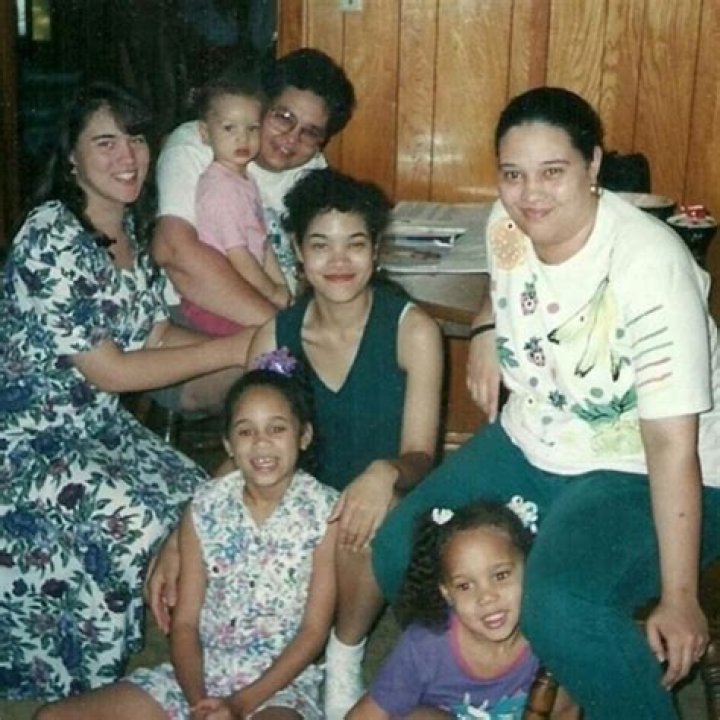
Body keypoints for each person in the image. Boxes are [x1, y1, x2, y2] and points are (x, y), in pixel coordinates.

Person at [369, 86, 720, 719]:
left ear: (593, 165)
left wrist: (680, 594)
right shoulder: (506, 223)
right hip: (536, 439)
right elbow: (506, 276)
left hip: (648, 468)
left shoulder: (650, 267)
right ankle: (496, 692)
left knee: (559, 603)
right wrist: (486, 325)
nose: (530, 194)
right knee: (401, 551)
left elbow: (672, 444)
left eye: (552, 172)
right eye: (513, 174)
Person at [149, 167, 445, 719]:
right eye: (320, 244)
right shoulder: (276, 334)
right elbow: (251, 442)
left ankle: (344, 653)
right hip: (296, 509)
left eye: (355, 244)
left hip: (379, 502)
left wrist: (383, 472)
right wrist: (178, 538)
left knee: (367, 516)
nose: (338, 260)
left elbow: (422, 455)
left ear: (376, 251)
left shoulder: (413, 330)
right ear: (297, 252)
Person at [0, 82, 252, 700]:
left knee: (202, 502)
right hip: (26, 445)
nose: (127, 156)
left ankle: (221, 652)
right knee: (135, 520)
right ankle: (85, 684)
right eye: (105, 142)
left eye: (135, 138)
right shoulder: (51, 235)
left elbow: (156, 331)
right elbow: (110, 370)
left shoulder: (131, 232)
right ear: (71, 158)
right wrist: (237, 348)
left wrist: (251, 353)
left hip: (97, 430)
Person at [34, 359, 339, 720]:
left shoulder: (325, 512)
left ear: (304, 435)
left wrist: (239, 704)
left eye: (277, 429)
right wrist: (199, 703)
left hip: (279, 686)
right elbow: (185, 624)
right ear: (228, 444)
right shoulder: (205, 506)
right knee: (51, 717)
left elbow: (313, 632)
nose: (261, 443)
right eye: (245, 431)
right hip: (198, 676)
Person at [153, 47, 356, 321]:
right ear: (261, 106)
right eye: (283, 117)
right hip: (201, 315)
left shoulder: (311, 169)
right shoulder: (200, 144)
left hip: (282, 313)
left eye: (310, 132)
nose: (291, 139)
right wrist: (284, 332)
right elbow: (173, 250)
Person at [349, 501, 576, 719]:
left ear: (529, 568)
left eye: (500, 575)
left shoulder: (548, 635)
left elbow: (565, 711)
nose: (486, 597)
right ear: (447, 593)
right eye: (465, 586)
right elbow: (369, 713)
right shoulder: (426, 646)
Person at [180, 73, 290, 336]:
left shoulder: (245, 179)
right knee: (270, 343)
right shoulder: (220, 188)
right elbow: (238, 255)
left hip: (246, 287)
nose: (243, 139)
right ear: (205, 133)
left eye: (252, 129)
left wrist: (281, 288)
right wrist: (272, 292)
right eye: (230, 128)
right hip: (215, 301)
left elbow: (262, 243)